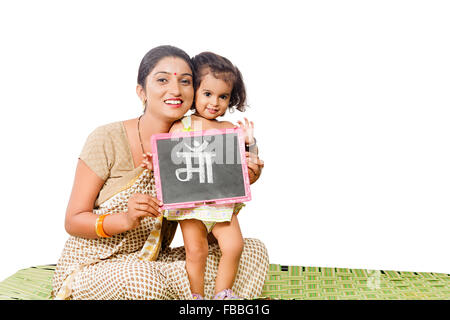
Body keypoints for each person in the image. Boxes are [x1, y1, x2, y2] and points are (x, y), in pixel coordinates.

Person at [51, 45, 267, 300]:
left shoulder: (209, 137)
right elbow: (73, 220)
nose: (175, 90)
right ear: (141, 91)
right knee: (143, 280)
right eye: (162, 80)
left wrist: (239, 176)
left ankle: (207, 297)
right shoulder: (106, 138)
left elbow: (204, 217)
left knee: (251, 251)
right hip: (97, 265)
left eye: (185, 81)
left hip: (154, 257)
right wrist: (125, 219)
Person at [158, 51, 257, 300]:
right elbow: (170, 159)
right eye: (207, 94)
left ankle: (223, 294)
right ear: (195, 93)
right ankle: (196, 296)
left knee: (234, 246)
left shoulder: (229, 130)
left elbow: (249, 166)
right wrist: (155, 161)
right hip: (192, 204)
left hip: (222, 202)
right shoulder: (183, 125)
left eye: (223, 96)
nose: (215, 102)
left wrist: (250, 144)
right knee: (196, 250)